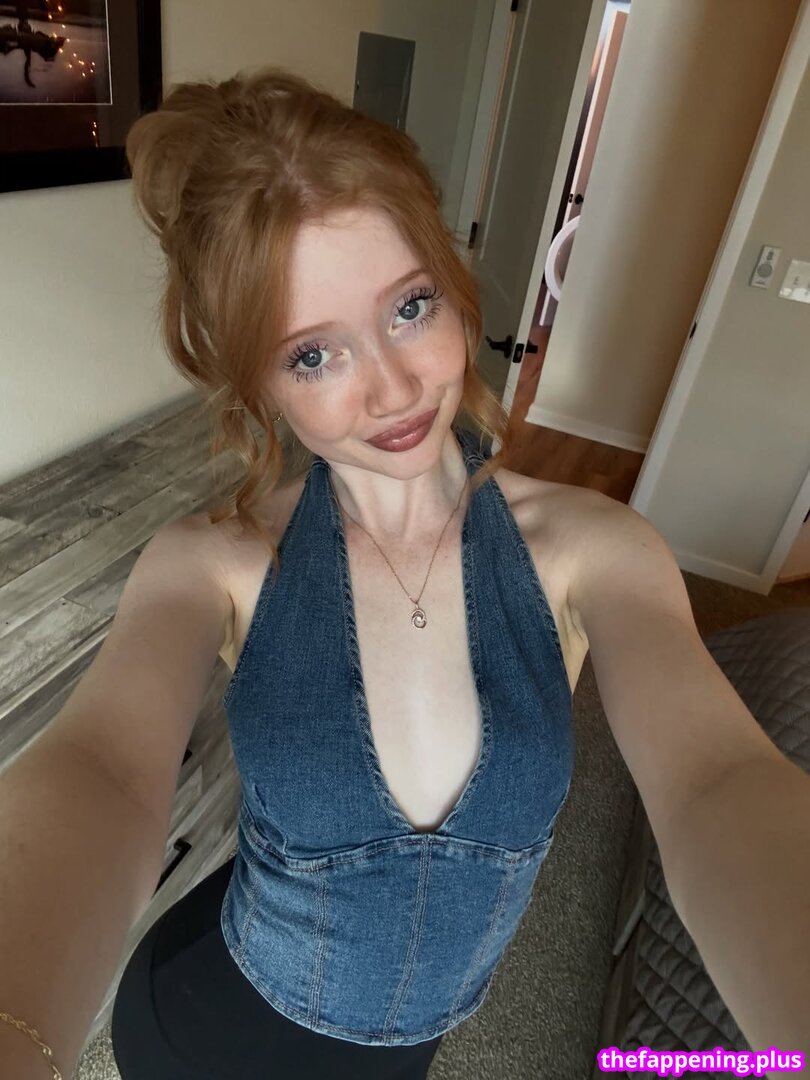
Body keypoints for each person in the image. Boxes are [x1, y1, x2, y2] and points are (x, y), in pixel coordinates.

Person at [1, 67, 808, 1080]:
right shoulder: (213, 564)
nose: (391, 386)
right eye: (312, 355)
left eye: (410, 306)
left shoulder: (593, 548)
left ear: (454, 287)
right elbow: (103, 772)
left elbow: (716, 778)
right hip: (205, 1029)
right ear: (257, 381)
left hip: (413, 1045)